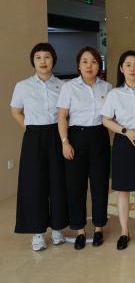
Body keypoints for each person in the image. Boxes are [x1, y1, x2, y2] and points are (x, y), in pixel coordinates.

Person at [10, 43, 68, 251]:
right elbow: (16, 111)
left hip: (56, 134)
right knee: (34, 183)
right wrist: (29, 128)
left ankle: (58, 228)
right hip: (34, 137)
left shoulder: (63, 86)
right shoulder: (23, 86)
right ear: (33, 61)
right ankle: (37, 233)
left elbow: (66, 114)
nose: (43, 61)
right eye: (38, 57)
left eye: (47, 57)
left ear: (53, 60)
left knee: (58, 181)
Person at [57, 46, 112, 250]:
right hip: (76, 138)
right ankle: (79, 230)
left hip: (99, 137)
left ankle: (99, 228)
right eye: (85, 62)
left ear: (99, 66)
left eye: (94, 62)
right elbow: (62, 116)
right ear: (78, 66)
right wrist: (65, 142)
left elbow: (113, 115)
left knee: (100, 184)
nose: (89, 66)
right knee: (76, 186)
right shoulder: (69, 87)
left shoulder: (107, 87)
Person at [102, 50, 135, 250]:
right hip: (123, 142)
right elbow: (106, 119)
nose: (132, 69)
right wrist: (125, 131)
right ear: (121, 68)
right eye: (128, 65)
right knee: (123, 190)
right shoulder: (114, 94)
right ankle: (124, 232)